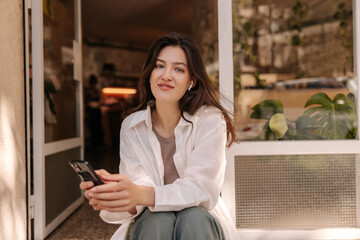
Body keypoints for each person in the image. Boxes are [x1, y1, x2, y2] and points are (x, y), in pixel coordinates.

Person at [80, 32, 239, 240]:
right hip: (152, 222)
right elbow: (138, 195)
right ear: (150, 73)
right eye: (159, 66)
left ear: (192, 80)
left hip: (201, 219)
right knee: (158, 217)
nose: (166, 75)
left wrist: (142, 194)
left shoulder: (210, 120)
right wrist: (116, 198)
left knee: (193, 216)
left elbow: (202, 189)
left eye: (179, 69)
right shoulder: (132, 126)